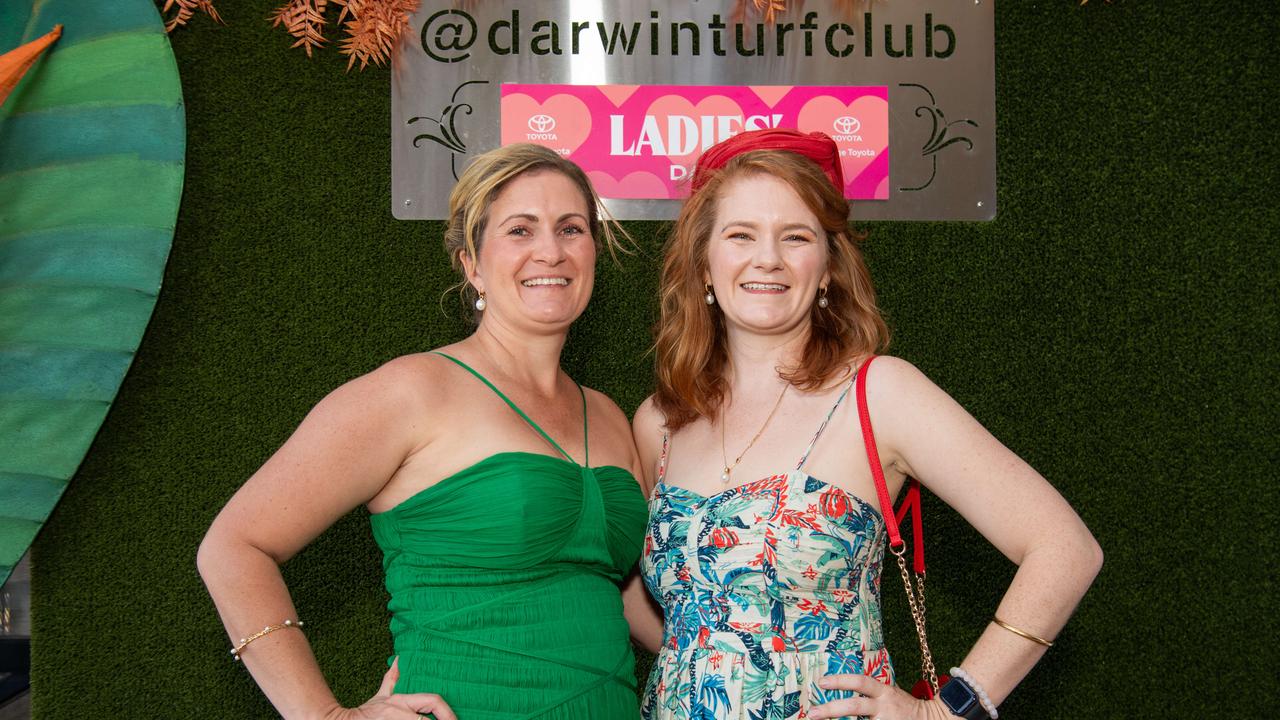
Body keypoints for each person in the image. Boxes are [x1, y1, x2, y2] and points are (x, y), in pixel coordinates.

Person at [630, 129, 1103, 720]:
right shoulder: (661, 422)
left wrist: (949, 709)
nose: (768, 258)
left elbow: (1065, 548)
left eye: (795, 237)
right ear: (704, 262)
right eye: (741, 235)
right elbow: (671, 611)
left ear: (827, 269)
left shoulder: (878, 393)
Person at [198, 144, 650, 720]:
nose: (550, 251)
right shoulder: (412, 391)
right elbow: (233, 547)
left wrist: (745, 661)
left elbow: (622, 594)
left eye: (571, 228)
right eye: (520, 229)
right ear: (471, 263)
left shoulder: (608, 416)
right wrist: (320, 715)